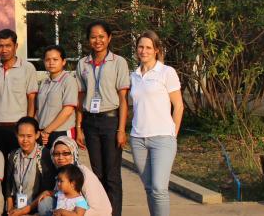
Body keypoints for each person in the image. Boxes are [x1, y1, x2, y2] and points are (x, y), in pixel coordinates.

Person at [75, 22, 129, 216]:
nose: (97, 41)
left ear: (109, 38)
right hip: (90, 123)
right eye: (93, 37)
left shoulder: (119, 62)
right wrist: (78, 127)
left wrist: (121, 130)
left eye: (101, 36)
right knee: (97, 174)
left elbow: (123, 99)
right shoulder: (83, 64)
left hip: (110, 121)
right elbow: (80, 98)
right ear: (88, 39)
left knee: (112, 175)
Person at [129, 31, 184, 216]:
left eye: (148, 47)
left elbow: (178, 106)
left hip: (162, 139)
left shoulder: (167, 72)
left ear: (157, 50)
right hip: (138, 139)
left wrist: (172, 134)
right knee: (149, 188)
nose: (144, 51)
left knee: (159, 188)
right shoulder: (134, 76)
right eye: (141, 47)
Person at [0, 29, 38, 158]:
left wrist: (28, 125)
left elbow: (31, 99)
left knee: (17, 164)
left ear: (16, 46)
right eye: (0, 46)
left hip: (18, 128)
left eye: (8, 45)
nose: (4, 50)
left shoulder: (27, 68)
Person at [37, 136, 111, 216]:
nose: (61, 158)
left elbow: (100, 210)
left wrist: (68, 213)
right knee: (46, 203)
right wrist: (47, 192)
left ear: (73, 153)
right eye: (56, 154)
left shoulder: (83, 173)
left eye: (66, 153)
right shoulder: (62, 173)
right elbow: (59, 195)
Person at [4, 117, 55, 216]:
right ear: (16, 135)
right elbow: (8, 185)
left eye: (29, 136)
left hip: (37, 207)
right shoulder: (13, 155)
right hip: (17, 207)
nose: (25, 140)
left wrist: (26, 211)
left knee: (46, 203)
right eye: (21, 136)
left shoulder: (44, 154)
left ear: (37, 135)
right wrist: (10, 210)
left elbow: (47, 190)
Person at [36, 46, 78, 148]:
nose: (51, 63)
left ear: (63, 61)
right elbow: (39, 110)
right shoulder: (44, 83)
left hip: (61, 132)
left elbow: (68, 110)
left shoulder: (69, 81)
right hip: (44, 133)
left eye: (55, 59)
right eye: (47, 60)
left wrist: (47, 131)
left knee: (64, 163)